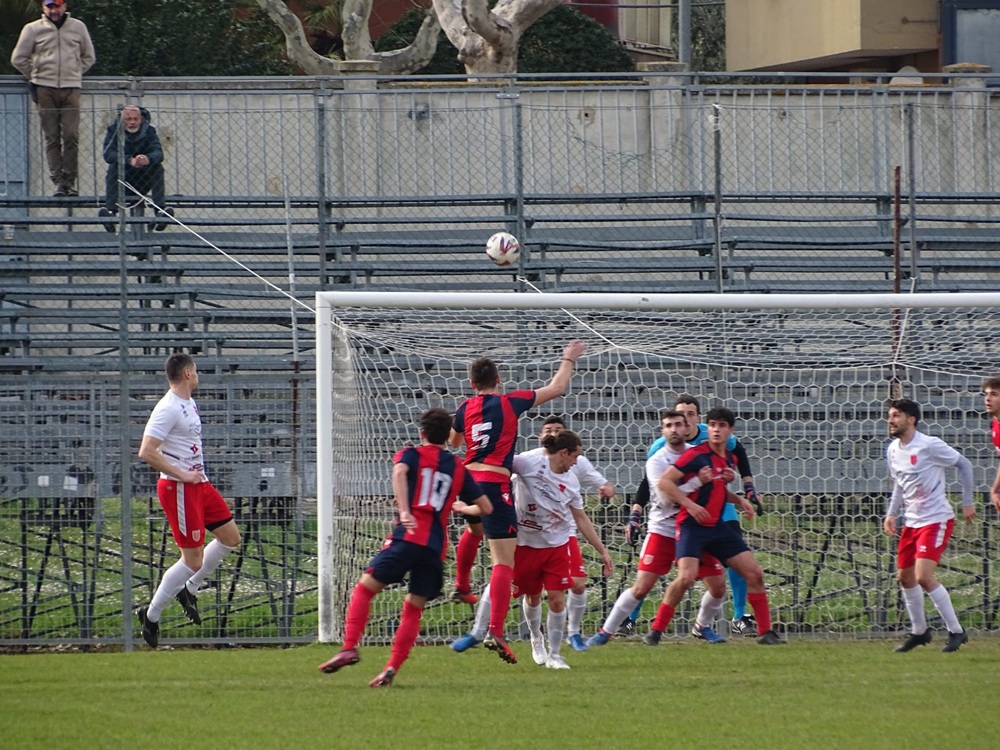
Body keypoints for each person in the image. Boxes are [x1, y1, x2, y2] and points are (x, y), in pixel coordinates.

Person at [317, 407, 492, 687]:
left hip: (407, 538)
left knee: (364, 589)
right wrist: (461, 507)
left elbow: (399, 472)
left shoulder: (410, 454)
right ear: (448, 436)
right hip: (435, 548)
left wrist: (404, 510)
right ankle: (391, 668)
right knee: (413, 609)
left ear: (422, 433)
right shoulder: (458, 467)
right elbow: (486, 508)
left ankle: (349, 647)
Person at [448, 339, 587, 664]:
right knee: (503, 564)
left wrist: (469, 433)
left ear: (472, 384)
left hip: (467, 479)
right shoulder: (511, 402)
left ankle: (462, 583)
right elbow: (557, 388)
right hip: (493, 482)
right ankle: (495, 630)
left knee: (475, 529)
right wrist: (568, 358)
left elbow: (454, 442)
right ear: (498, 380)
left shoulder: (465, 407)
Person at [453, 416, 615, 655]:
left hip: (561, 535)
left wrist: (602, 548)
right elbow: (497, 471)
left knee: (573, 586)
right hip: (524, 536)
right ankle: (485, 633)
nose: (552, 433)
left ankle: (571, 636)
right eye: (548, 430)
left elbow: (591, 497)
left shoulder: (577, 464)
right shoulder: (528, 461)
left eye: (557, 430)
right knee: (517, 585)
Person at [621, 394, 763, 637]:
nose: (685, 420)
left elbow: (738, 452)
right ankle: (630, 619)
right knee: (657, 575)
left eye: (690, 414)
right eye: (680, 415)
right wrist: (636, 512)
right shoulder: (662, 447)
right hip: (680, 516)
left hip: (719, 510)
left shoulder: (712, 435)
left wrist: (747, 487)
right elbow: (650, 483)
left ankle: (738, 617)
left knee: (737, 562)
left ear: (698, 418)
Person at [641, 407, 784, 646]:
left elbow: (716, 488)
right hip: (691, 525)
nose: (716, 430)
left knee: (754, 573)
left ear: (730, 430)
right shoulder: (696, 455)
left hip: (716, 527)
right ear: (707, 428)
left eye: (722, 425)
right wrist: (690, 505)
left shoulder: (728, 458)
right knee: (686, 577)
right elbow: (665, 483)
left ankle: (765, 632)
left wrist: (740, 500)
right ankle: (656, 630)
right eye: (713, 425)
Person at [587, 410, 727, 647]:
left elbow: (713, 487)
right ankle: (605, 632)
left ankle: (702, 626)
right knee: (641, 588)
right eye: (668, 425)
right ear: (662, 431)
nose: (674, 429)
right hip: (664, 528)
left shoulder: (698, 455)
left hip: (695, 528)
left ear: (687, 428)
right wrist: (697, 482)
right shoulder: (657, 461)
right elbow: (664, 498)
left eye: (678, 424)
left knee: (718, 586)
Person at [135, 353, 242, 647]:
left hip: (199, 484)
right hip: (179, 488)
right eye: (195, 371)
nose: (197, 375)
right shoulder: (167, 408)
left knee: (231, 538)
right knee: (192, 560)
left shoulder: (188, 403)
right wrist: (182, 474)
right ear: (187, 374)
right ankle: (151, 615)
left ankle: (190, 589)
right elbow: (146, 451)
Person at [883, 398, 975, 654]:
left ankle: (956, 631)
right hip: (912, 522)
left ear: (911, 419)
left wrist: (967, 502)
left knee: (923, 577)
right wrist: (891, 514)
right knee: (905, 577)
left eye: (896, 415)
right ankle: (919, 631)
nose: (890, 420)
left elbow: (964, 464)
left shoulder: (929, 445)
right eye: (890, 415)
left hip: (936, 520)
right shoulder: (893, 449)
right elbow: (899, 484)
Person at [10, 0, 95, 197]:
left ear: (64, 6)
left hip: (70, 88)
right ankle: (58, 181)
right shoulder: (33, 29)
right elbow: (18, 58)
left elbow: (89, 56)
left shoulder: (78, 27)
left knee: (71, 135)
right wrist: (35, 74)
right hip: (44, 88)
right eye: (50, 6)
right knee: (52, 136)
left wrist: (75, 72)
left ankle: (70, 180)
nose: (54, 10)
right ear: (43, 7)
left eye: (57, 6)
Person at [99, 104, 174, 233]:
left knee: (157, 167)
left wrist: (147, 159)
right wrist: (129, 160)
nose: (132, 122)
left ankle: (160, 212)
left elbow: (158, 153)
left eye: (135, 119)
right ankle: (110, 213)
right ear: (122, 120)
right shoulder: (113, 131)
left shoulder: (149, 131)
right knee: (113, 167)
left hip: (144, 179)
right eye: (128, 119)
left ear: (141, 119)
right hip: (123, 180)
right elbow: (108, 154)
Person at [982, 377, 1000, 514]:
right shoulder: (994, 424)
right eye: (986, 394)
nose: (988, 399)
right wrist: (994, 489)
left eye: (994, 394)